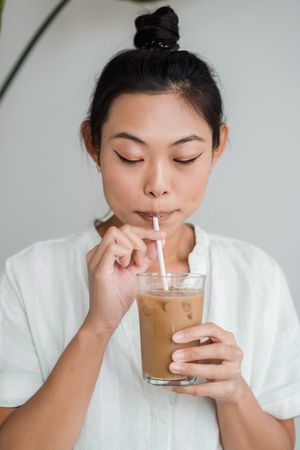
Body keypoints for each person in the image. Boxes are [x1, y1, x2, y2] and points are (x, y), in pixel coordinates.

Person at [0, 5, 299, 450]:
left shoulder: (256, 277)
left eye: (184, 158)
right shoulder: (30, 276)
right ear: (93, 144)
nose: (157, 186)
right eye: (130, 158)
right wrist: (96, 328)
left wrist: (234, 393)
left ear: (218, 148)